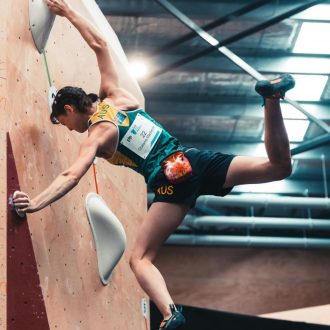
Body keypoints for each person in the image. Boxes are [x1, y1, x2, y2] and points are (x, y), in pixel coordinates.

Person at [13, 1, 295, 329]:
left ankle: (170, 313)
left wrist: (35, 203)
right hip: (190, 159)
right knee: (279, 168)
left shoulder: (97, 134)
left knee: (140, 259)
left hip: (170, 177)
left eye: (62, 122)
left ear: (68, 108)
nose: (67, 128)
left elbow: (71, 175)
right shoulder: (115, 96)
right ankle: (271, 99)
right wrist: (68, 13)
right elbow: (100, 44)